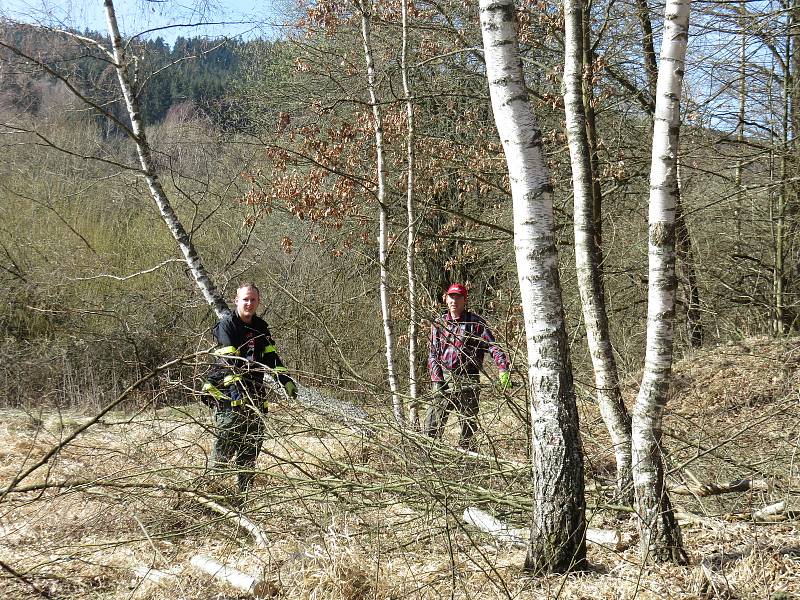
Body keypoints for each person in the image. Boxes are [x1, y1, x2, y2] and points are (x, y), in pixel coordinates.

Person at [202, 283, 297, 493]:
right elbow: (230, 363)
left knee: (250, 449)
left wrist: (285, 380)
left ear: (258, 302)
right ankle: (210, 492)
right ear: (236, 301)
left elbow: (272, 357)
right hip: (228, 396)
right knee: (226, 446)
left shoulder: (261, 327)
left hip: (253, 393)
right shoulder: (226, 325)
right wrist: (239, 400)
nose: (249, 303)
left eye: (253, 300)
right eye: (245, 299)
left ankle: (243, 497)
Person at [425, 283, 511, 450]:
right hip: (444, 377)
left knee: (468, 427)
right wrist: (437, 379)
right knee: (432, 425)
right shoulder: (439, 324)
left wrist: (503, 368)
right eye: (451, 297)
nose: (454, 301)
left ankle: (468, 461)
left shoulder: (476, 323)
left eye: (458, 297)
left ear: (465, 300)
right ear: (446, 299)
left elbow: (493, 346)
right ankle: (430, 456)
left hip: (468, 379)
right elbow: (433, 354)